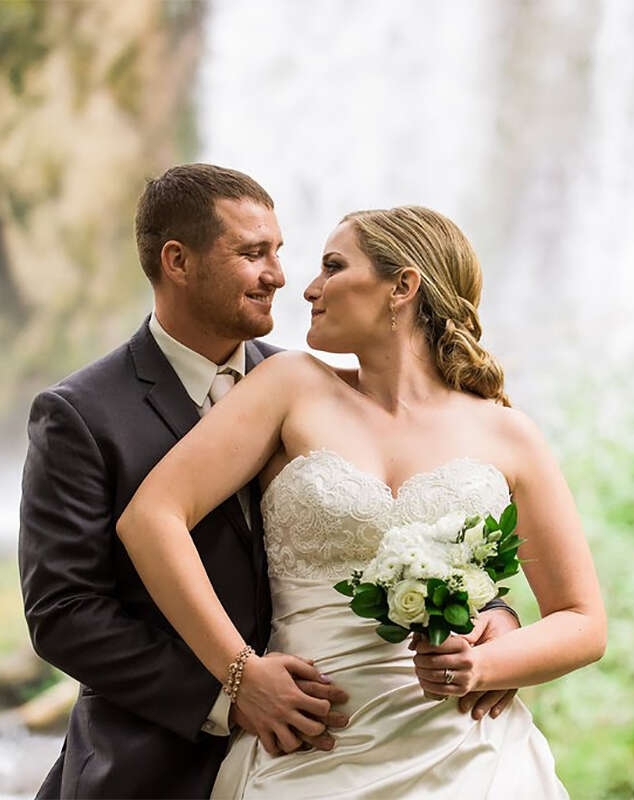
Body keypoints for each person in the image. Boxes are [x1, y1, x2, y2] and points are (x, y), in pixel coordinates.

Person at [17, 161, 519, 799]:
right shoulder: (81, 413)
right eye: (254, 254)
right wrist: (231, 689)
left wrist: (489, 611)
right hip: (156, 760)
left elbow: (395, 514)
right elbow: (64, 613)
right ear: (178, 261)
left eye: (280, 252)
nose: (281, 277)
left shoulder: (315, 387)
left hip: (349, 741)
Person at [117, 204, 606, 798]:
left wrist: (487, 663)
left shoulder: (507, 433)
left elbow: (582, 620)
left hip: (469, 754)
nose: (308, 287)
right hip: (310, 744)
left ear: (402, 286)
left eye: (332, 266)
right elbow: (151, 518)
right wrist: (239, 673)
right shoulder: (289, 386)